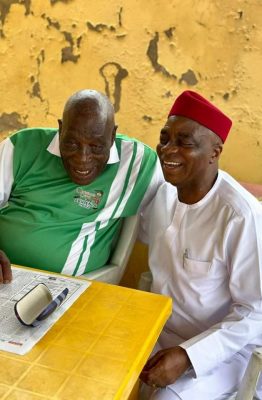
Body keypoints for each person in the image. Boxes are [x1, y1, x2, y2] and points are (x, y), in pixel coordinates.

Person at [139, 90, 262, 400]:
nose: (168, 150)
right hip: (157, 335)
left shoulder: (241, 216)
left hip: (220, 352)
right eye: (165, 139)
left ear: (214, 152)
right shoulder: (163, 194)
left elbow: (255, 312)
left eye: (185, 142)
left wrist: (188, 355)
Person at [0, 89, 163, 277]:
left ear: (112, 136)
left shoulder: (138, 164)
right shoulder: (21, 146)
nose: (82, 158)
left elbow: (171, 221)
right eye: (71, 144)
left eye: (96, 147)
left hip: (67, 288)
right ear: (61, 129)